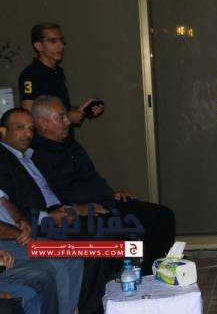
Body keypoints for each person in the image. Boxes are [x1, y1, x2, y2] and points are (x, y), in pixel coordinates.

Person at [30, 95, 175, 276]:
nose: (67, 121)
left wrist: (111, 193)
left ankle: (151, 275)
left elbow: (90, 176)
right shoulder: (37, 155)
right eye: (61, 117)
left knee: (162, 216)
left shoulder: (70, 143)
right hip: (85, 213)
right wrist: (81, 208)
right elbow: (50, 196)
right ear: (43, 123)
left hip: (107, 202)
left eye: (66, 115)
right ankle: (130, 276)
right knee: (119, 235)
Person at [0, 108, 84, 314]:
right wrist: (23, 228)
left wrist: (20, 220)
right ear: (3, 131)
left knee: (74, 255)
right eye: (20, 127)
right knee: (53, 265)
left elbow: (3, 200)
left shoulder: (33, 155)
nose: (28, 133)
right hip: (11, 237)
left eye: (31, 128)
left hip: (23, 227)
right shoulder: (3, 159)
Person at [18, 22, 104, 126]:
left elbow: (58, 109)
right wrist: (68, 118)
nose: (61, 46)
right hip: (46, 137)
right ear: (38, 46)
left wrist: (83, 110)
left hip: (64, 135)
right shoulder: (30, 74)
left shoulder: (58, 71)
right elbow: (29, 118)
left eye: (61, 40)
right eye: (53, 41)